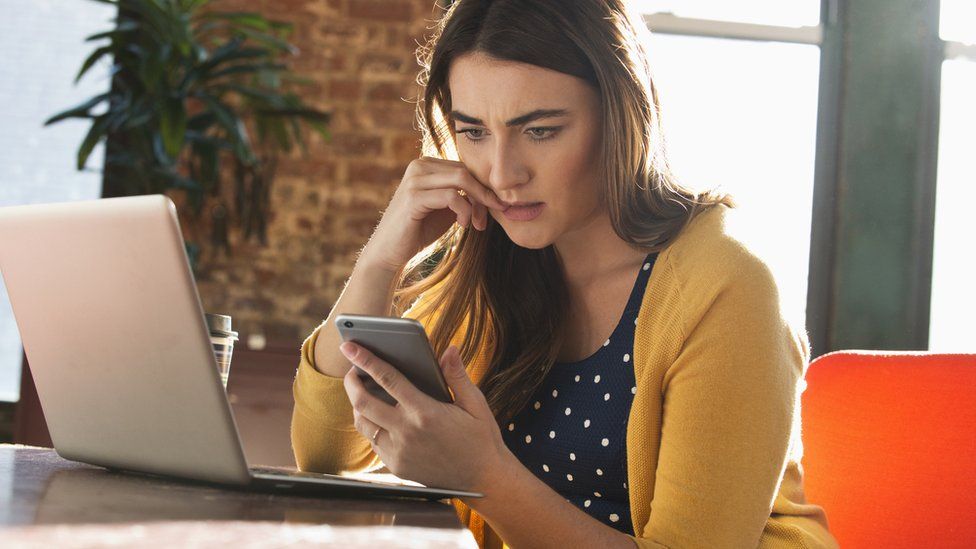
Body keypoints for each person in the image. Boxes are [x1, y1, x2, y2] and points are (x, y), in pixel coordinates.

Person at [291, 1, 839, 547]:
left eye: (541, 131)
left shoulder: (729, 286)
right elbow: (325, 456)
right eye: (474, 132)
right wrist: (380, 261)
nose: (503, 173)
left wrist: (484, 477)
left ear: (621, 117)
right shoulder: (497, 259)